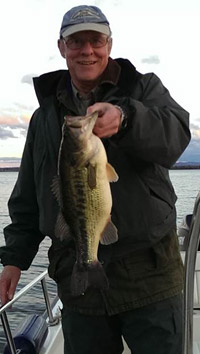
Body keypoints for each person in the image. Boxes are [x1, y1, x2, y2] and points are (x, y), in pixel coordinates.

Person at [0, 5, 190, 354]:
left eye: (95, 40)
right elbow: (28, 193)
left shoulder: (142, 88)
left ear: (109, 44)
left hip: (149, 275)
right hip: (78, 281)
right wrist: (15, 258)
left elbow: (176, 135)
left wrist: (127, 119)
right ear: (62, 48)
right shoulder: (44, 118)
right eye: (76, 41)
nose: (87, 50)